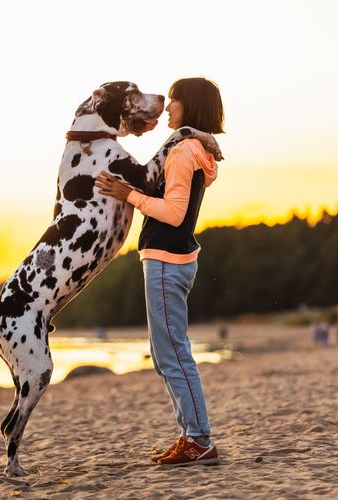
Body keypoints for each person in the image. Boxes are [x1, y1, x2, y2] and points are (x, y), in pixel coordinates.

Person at [95, 77, 224, 466]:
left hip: (167, 260)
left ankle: (198, 440)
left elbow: (174, 213)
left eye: (174, 101)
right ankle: (190, 435)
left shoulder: (185, 151)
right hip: (169, 259)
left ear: (191, 105)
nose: (167, 108)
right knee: (165, 352)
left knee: (173, 354)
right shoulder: (193, 148)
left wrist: (127, 195)